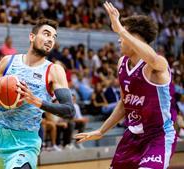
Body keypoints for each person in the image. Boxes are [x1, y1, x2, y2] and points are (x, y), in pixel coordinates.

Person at [75, 2, 177, 169]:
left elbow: (152, 58)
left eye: (122, 36)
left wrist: (121, 28)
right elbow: (124, 103)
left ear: (134, 38)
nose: (119, 39)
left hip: (158, 136)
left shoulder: (157, 64)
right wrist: (101, 131)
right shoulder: (122, 63)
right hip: (132, 137)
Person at [0, 18, 75, 169]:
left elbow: (69, 111)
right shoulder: (7, 61)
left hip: (25, 142)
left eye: (53, 37)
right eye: (46, 34)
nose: (50, 39)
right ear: (32, 37)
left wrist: (35, 100)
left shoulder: (54, 70)